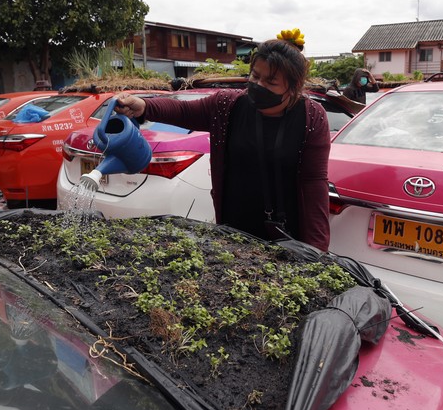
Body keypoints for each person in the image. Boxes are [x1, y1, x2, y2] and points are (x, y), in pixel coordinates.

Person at [113, 32, 331, 251]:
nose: (258, 85)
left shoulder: (311, 117)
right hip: (233, 232)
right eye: (255, 76)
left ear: (293, 87)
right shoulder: (228, 105)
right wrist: (144, 106)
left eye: (271, 82)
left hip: (287, 237)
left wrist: (316, 251)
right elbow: (183, 110)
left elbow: (314, 182)